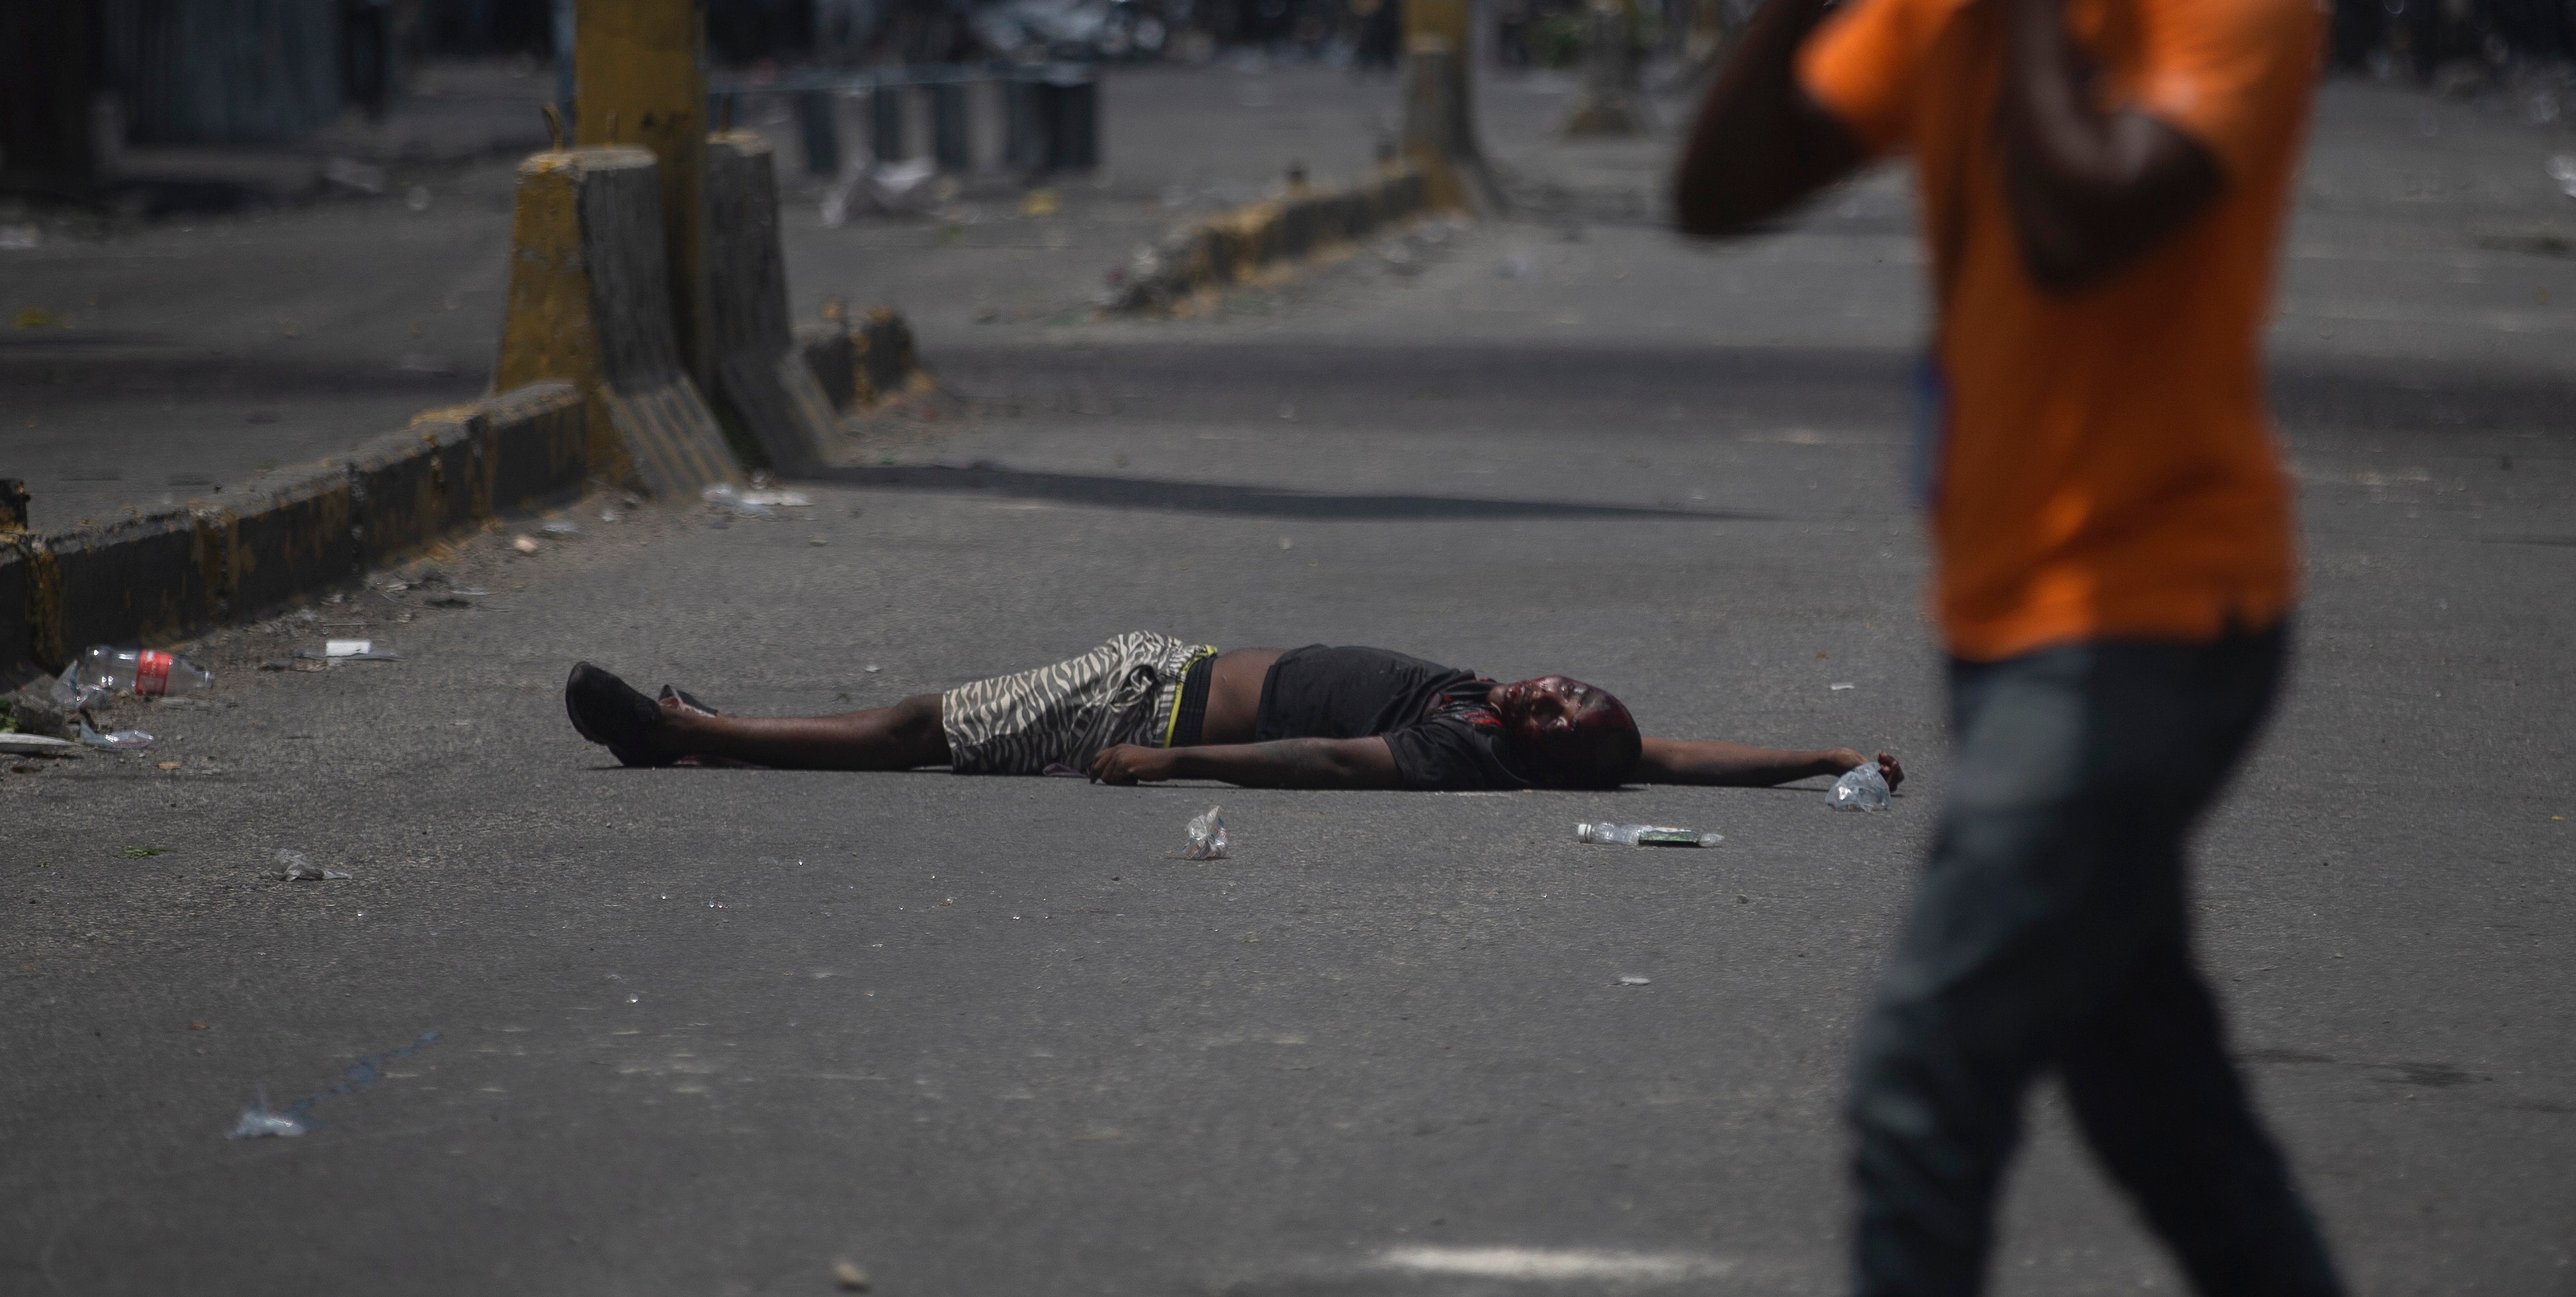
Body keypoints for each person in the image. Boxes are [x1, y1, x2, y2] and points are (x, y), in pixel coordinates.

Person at [1673, 0, 2344, 1296]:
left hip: (2155, 618)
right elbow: (1718, 189)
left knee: (1925, 1073)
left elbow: (2073, 227)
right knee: (2157, 1105)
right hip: (2006, 617)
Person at [562, 636, 1903, 794]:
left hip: (1155, 693)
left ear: (1528, 745)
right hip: (1168, 667)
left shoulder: (1454, 745)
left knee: (924, 725)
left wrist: (1169, 754)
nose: (1549, 684)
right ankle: (702, 726)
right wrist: (1826, 753)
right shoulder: (1538, 733)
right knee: (925, 722)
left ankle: (691, 734)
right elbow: (1670, 757)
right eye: (1574, 683)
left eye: (1556, 707)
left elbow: (1326, 755)